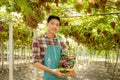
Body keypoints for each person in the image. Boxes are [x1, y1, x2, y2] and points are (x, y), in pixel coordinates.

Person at [32, 15, 68, 80]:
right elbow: (35, 62)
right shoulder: (38, 40)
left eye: (57, 25)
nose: (55, 26)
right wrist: (53, 71)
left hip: (62, 77)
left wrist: (70, 71)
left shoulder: (61, 43)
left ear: (59, 27)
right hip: (49, 77)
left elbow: (65, 61)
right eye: (52, 23)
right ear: (47, 24)